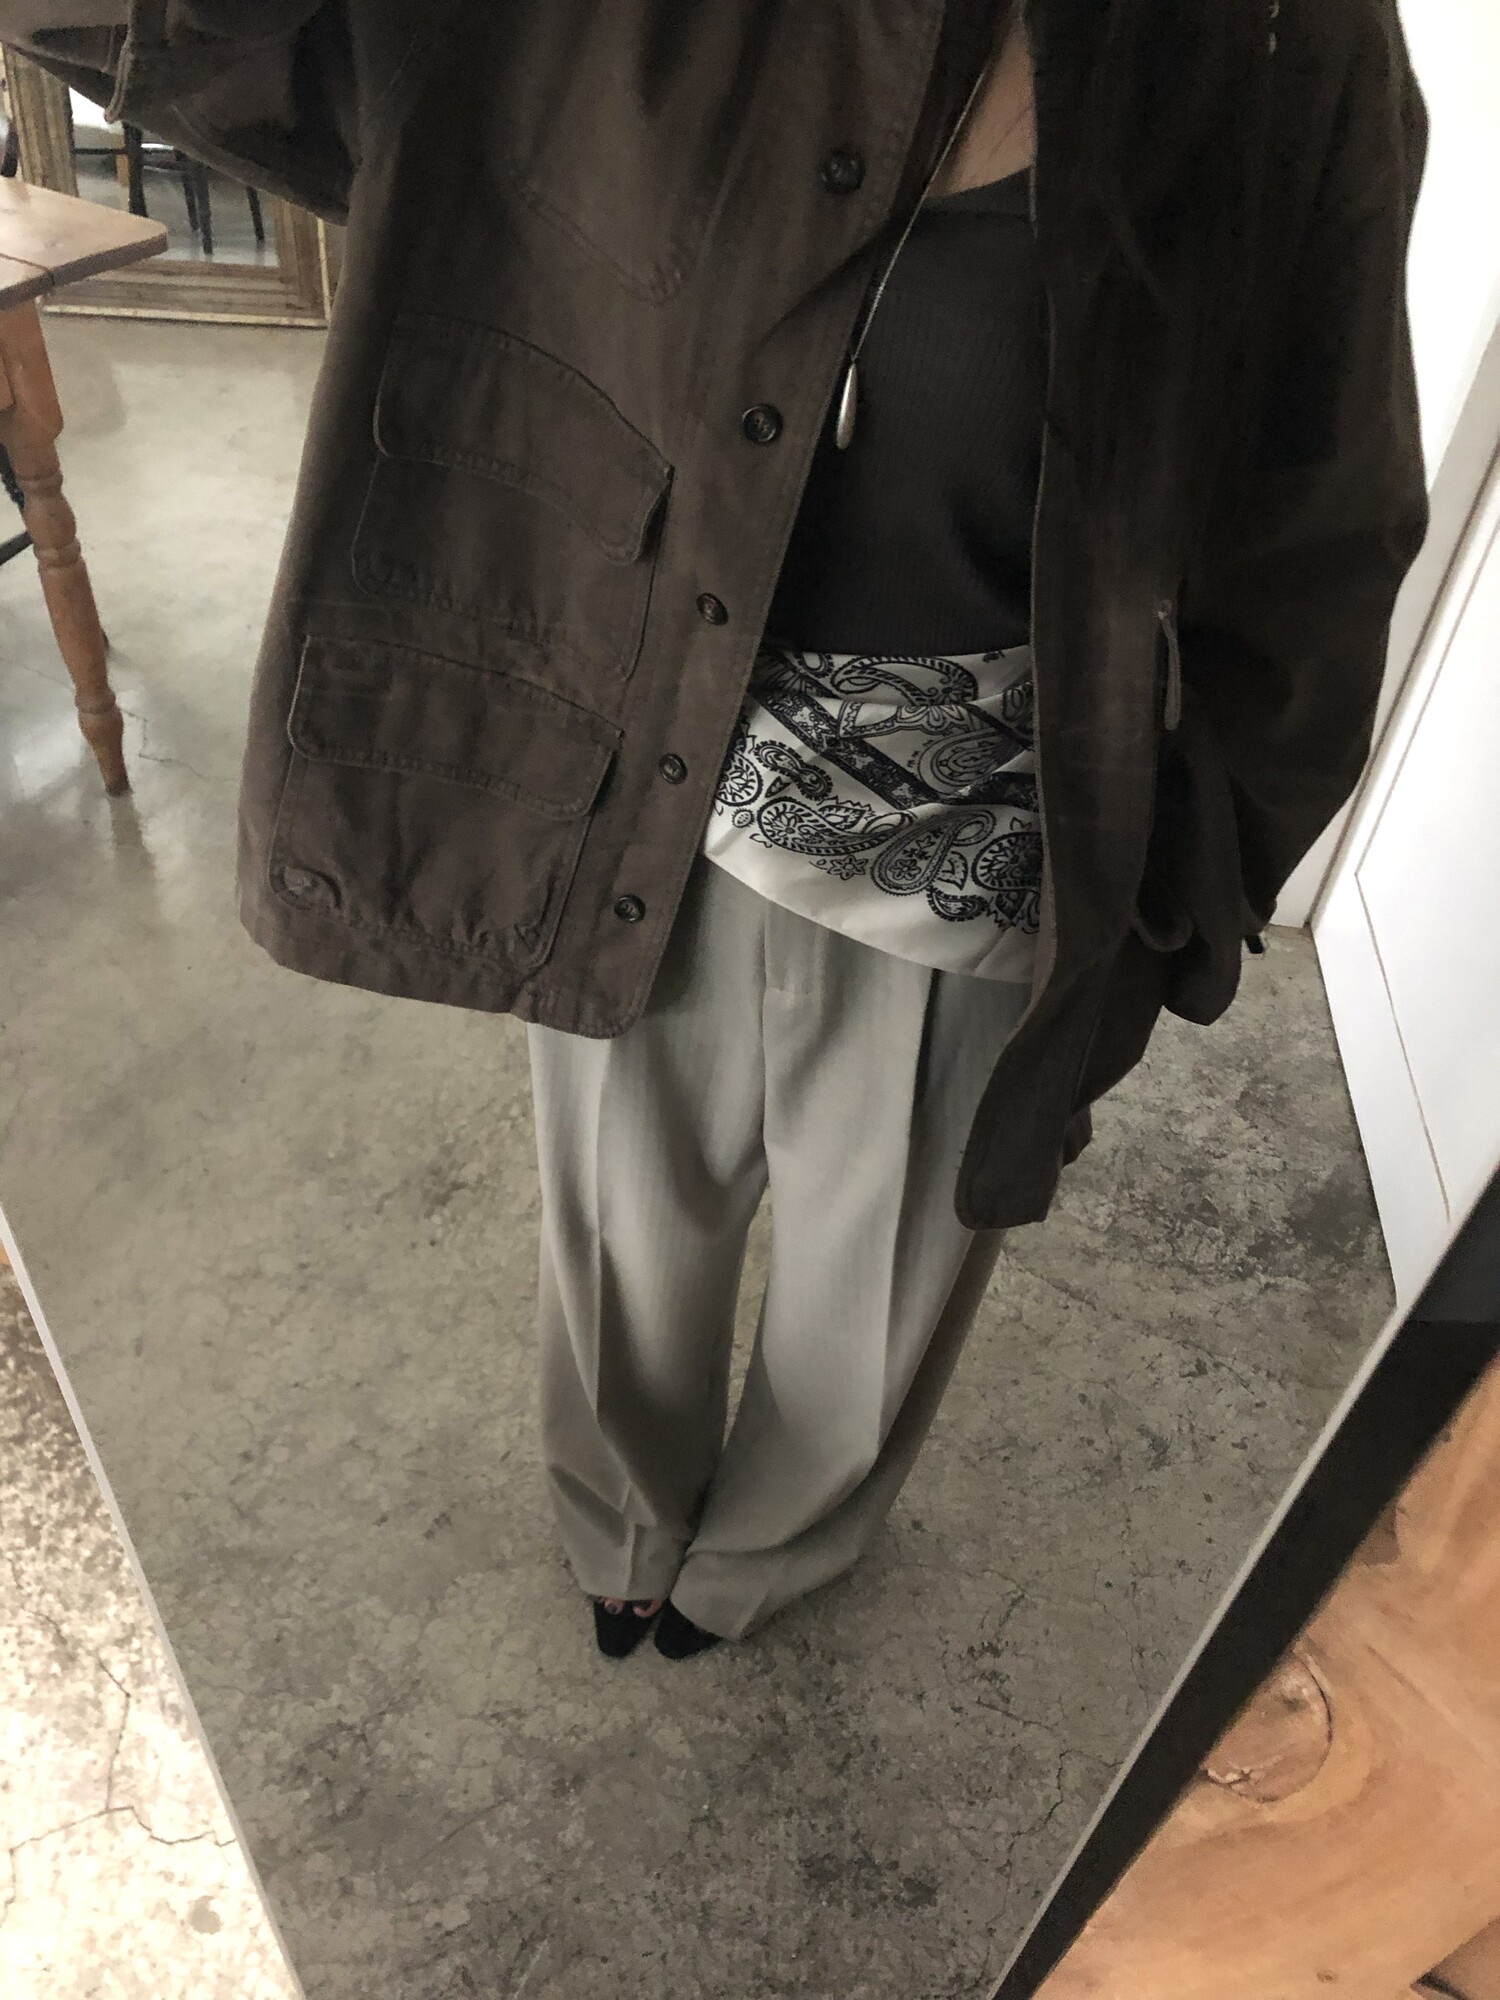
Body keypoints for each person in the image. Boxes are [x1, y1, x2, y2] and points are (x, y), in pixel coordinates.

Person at [1, 0, 1430, 1662]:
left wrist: (1204, 868)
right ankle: (622, 1520)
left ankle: (769, 1558)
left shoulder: (1279, 44)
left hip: (992, 828)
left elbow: (1324, 504)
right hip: (637, 776)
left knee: (881, 1280)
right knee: (626, 1219)